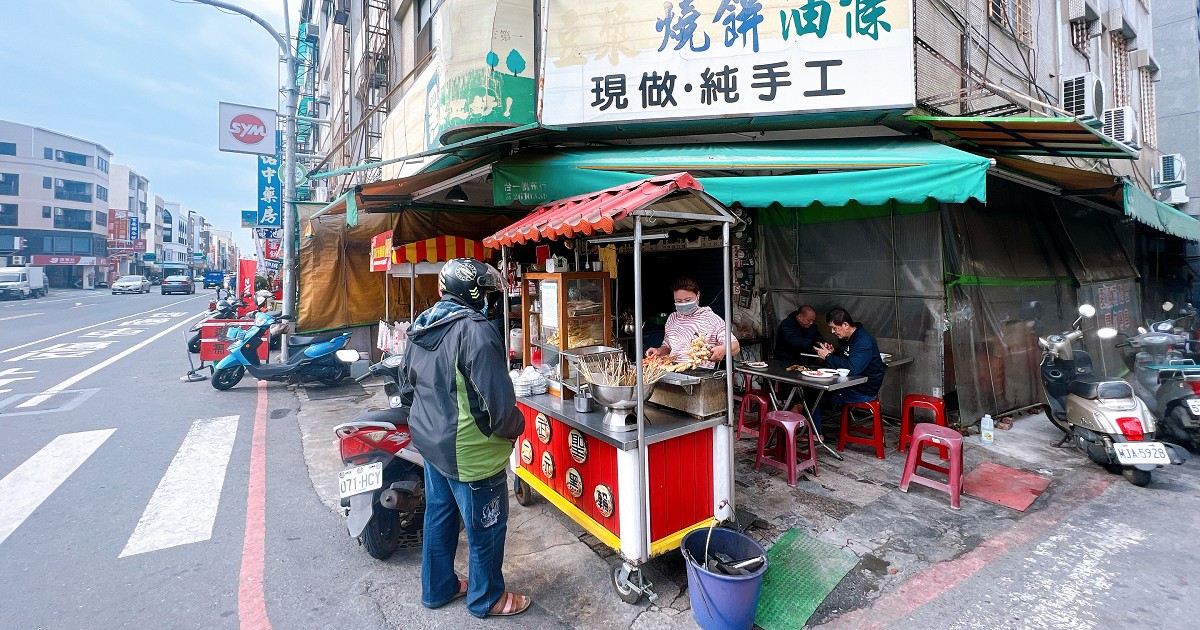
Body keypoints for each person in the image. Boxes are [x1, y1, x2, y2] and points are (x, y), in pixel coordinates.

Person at [397, 258, 531, 618]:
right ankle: (487, 598)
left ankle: (438, 587)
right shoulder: (476, 331)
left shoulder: (423, 323)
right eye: (485, 293)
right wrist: (515, 429)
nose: (488, 300)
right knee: (487, 527)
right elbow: (498, 405)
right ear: (472, 293)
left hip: (431, 445)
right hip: (471, 453)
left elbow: (406, 387)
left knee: (439, 516)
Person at [811, 308, 886, 430]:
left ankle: (816, 435)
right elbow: (846, 358)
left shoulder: (863, 341)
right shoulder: (847, 338)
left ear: (845, 325)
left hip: (863, 390)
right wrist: (833, 353)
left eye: (834, 328)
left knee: (813, 395)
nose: (832, 331)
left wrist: (828, 357)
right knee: (813, 390)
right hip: (852, 385)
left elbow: (852, 368)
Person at [645, 276, 740, 368]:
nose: (683, 304)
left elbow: (735, 346)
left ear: (697, 295)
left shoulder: (711, 319)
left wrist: (723, 349)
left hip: (700, 373)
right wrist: (658, 351)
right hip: (674, 371)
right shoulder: (673, 318)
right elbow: (668, 346)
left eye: (688, 300)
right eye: (679, 301)